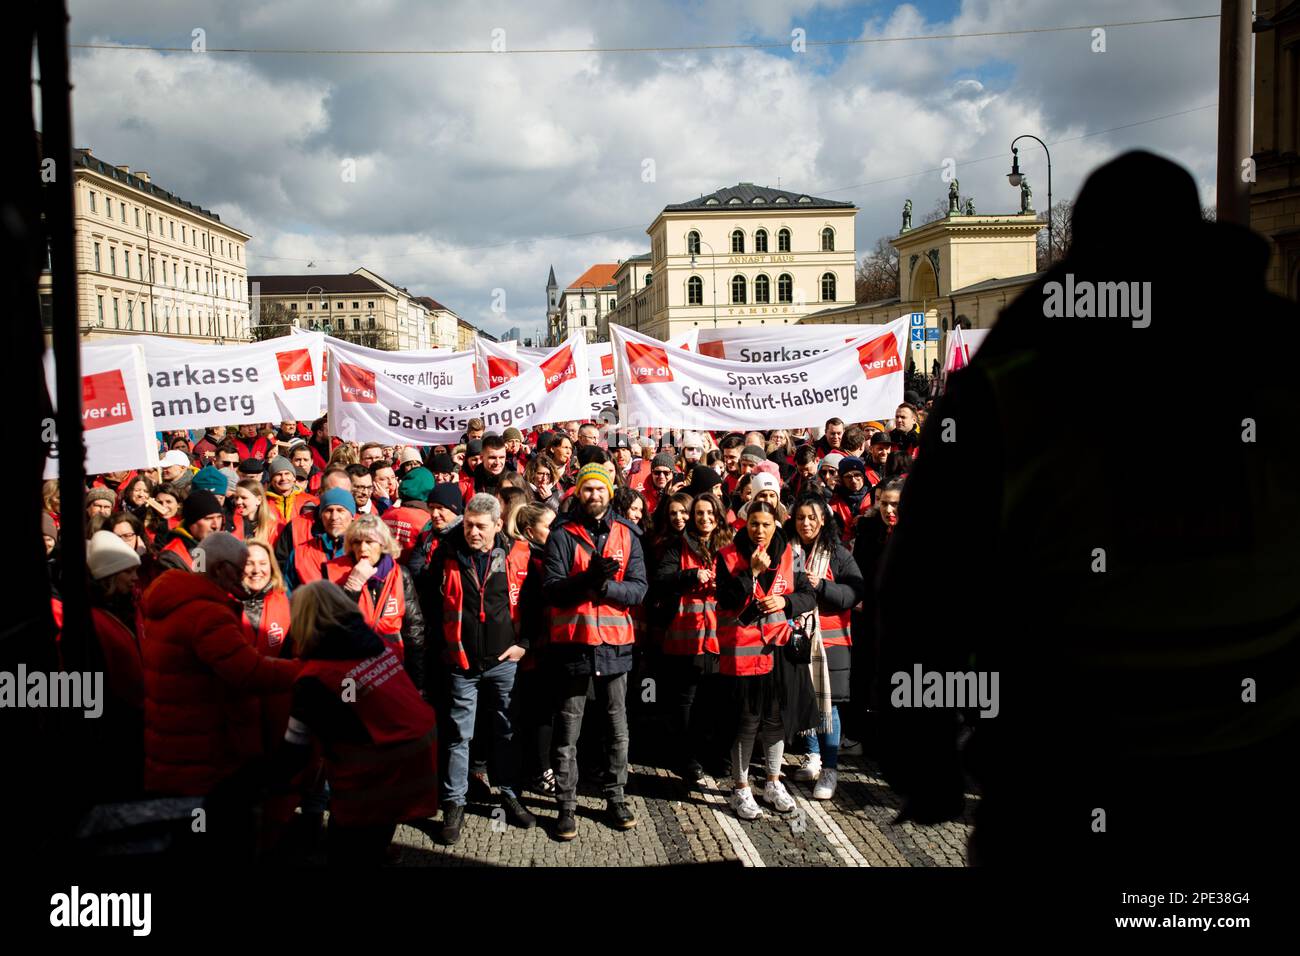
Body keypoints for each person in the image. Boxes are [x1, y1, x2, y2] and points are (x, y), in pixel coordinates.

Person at [274, 581, 438, 865]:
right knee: (376, 832)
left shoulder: (315, 679)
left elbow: (294, 753)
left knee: (347, 848)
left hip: (375, 771)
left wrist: (259, 786)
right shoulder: (373, 645)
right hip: (415, 753)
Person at [139, 532, 301, 797]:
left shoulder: (175, 598)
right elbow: (249, 672)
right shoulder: (207, 614)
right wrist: (303, 669)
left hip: (174, 744)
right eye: (239, 569)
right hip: (201, 753)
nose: (244, 576)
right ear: (220, 569)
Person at [544, 462, 648, 840]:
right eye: (587, 489)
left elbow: (639, 589)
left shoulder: (627, 534)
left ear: (609, 492)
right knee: (568, 730)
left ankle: (615, 796)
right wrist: (587, 579)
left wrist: (605, 589)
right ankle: (566, 805)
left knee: (617, 728)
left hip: (616, 646)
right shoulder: (561, 534)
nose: (594, 495)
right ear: (579, 493)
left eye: (599, 489)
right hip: (574, 644)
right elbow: (552, 588)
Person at [431, 493, 537, 843]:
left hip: (503, 662)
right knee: (459, 735)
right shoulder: (446, 554)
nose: (472, 531)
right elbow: (430, 603)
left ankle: (508, 793)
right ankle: (453, 804)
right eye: (468, 525)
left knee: (505, 730)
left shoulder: (516, 553)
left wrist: (524, 644)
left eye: (480, 526)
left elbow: (536, 602)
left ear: (496, 525)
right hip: (462, 663)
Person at [714, 500, 817, 820]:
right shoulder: (728, 555)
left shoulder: (788, 553)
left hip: (778, 652)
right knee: (746, 723)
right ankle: (740, 788)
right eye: (754, 524)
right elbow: (727, 598)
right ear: (745, 524)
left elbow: (808, 595)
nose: (760, 531)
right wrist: (753, 573)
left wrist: (785, 603)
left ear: (777, 526)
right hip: (743, 654)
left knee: (775, 721)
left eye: (766, 524)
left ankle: (772, 782)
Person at [788, 494, 864, 800]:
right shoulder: (786, 550)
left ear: (823, 520)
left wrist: (822, 586)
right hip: (795, 636)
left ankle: (831, 768)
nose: (805, 523)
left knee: (828, 705)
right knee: (803, 698)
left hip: (830, 640)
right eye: (800, 517)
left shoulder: (838, 553)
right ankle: (812, 755)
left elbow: (854, 593)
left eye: (811, 518)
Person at [654, 491, 731, 783]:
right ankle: (687, 756)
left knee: (715, 696)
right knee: (686, 698)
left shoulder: (729, 543)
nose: (704, 518)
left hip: (721, 631)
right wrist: (689, 576)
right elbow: (660, 580)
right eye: (699, 513)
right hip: (687, 631)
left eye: (709, 513)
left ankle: (712, 753)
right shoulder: (678, 544)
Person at [326, 514, 426, 692]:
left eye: (369, 541)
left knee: (388, 716)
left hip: (391, 667)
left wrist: (416, 684)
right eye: (357, 542)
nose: (362, 548)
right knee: (351, 715)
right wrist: (353, 586)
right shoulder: (335, 573)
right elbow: (332, 629)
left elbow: (413, 630)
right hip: (351, 670)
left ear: (382, 545)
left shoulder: (399, 574)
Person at [85, 530, 147, 801]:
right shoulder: (93, 620)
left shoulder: (129, 608)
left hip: (136, 720)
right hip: (114, 729)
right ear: (110, 576)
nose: (135, 578)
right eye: (128, 571)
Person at [509, 503, 557, 795]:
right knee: (539, 712)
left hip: (537, 645)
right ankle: (538, 770)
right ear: (530, 531)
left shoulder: (536, 554)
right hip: (531, 648)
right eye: (548, 526)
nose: (553, 532)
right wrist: (527, 642)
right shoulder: (526, 557)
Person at [283, 487, 355, 591]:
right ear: (321, 515)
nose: (334, 517)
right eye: (329, 511)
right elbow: (286, 595)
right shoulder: (300, 554)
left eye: (340, 510)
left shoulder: (362, 551)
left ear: (352, 515)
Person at [156, 489, 226, 571]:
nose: (216, 525)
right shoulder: (171, 556)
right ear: (192, 523)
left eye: (219, 517)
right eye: (208, 519)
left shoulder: (225, 547)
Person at [829, 456, 872, 545]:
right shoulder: (833, 500)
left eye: (857, 475)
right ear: (841, 479)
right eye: (848, 476)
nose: (853, 480)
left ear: (863, 476)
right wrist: (828, 490)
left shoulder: (874, 496)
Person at [231, 478, 284, 543]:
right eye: (236, 498)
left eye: (244, 498)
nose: (238, 502)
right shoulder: (231, 523)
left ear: (258, 500)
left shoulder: (274, 528)